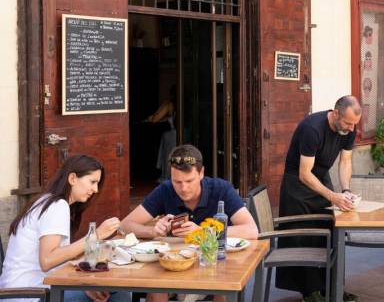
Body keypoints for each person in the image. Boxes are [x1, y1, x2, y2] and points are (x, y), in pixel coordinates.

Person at [120, 145, 259, 302]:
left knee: (224, 286)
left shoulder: (221, 189)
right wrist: (153, 231)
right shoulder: (165, 190)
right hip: (174, 266)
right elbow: (125, 225)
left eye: (189, 181)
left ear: (201, 173)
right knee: (156, 287)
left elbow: (251, 230)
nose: (183, 188)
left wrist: (202, 231)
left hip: (214, 264)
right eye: (177, 181)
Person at [0, 155, 128, 302]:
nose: (96, 189)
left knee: (107, 291)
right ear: (72, 178)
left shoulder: (48, 201)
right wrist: (96, 235)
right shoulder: (57, 206)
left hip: (35, 290)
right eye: (92, 182)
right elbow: (47, 260)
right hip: (30, 296)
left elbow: (57, 259)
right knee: (118, 293)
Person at [275, 96, 362, 302]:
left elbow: (345, 161)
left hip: (321, 178)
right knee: (303, 237)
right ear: (335, 113)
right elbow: (304, 173)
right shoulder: (312, 128)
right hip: (297, 186)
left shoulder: (349, 129)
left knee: (330, 232)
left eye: (354, 124)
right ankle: (309, 293)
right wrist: (333, 196)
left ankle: (332, 288)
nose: (351, 129)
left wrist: (346, 189)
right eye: (348, 123)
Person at [145, 85, 177, 181]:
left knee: (169, 156)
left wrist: (151, 118)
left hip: (173, 134)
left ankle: (169, 177)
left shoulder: (170, 104)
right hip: (186, 133)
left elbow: (155, 119)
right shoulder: (188, 102)